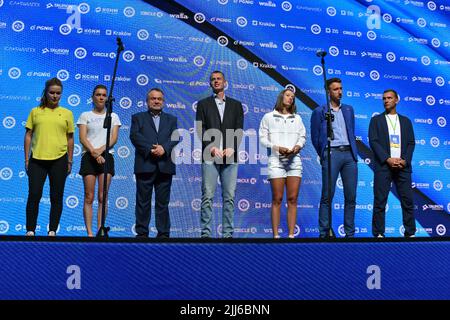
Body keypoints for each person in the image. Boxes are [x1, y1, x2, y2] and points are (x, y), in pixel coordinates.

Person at [195, 70, 244, 238]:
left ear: (225, 82)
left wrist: (232, 148)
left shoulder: (236, 105)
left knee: (229, 197)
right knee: (207, 196)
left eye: (219, 79)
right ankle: (206, 234)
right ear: (210, 84)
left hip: (230, 156)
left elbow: (239, 130)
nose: (216, 81)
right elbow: (200, 129)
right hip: (210, 155)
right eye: (213, 79)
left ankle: (228, 234)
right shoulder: (203, 104)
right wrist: (211, 147)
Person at [24, 77, 74, 236]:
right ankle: (30, 230)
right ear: (45, 93)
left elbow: (70, 138)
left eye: (58, 93)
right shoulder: (35, 111)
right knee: (34, 195)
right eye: (52, 92)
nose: (55, 96)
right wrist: (26, 159)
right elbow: (28, 135)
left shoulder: (67, 113)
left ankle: (52, 230)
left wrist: (70, 160)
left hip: (59, 160)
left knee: (56, 196)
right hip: (37, 159)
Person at [310, 78, 358, 238]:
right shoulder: (320, 111)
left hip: (349, 155)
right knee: (327, 195)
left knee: (351, 196)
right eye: (336, 89)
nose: (340, 92)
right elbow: (315, 137)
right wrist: (324, 153)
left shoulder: (349, 110)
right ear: (328, 92)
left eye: (341, 88)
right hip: (332, 153)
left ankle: (349, 234)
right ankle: (324, 233)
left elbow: (351, 131)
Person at [130, 88, 179, 238]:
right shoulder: (138, 117)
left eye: (159, 99)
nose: (156, 101)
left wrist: (164, 148)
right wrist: (152, 149)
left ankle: (163, 234)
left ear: (163, 102)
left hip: (165, 166)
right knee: (142, 202)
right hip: (145, 164)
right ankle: (142, 233)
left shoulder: (172, 119)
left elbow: (175, 137)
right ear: (147, 101)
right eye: (153, 98)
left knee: (162, 203)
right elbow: (135, 136)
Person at [259, 89, 306, 238]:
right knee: (277, 198)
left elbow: (302, 137)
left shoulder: (297, 118)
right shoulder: (268, 117)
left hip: (294, 161)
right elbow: (262, 138)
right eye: (287, 95)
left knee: (292, 199)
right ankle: (276, 237)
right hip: (276, 161)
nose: (290, 98)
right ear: (281, 97)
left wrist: (298, 147)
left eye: (293, 97)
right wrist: (277, 147)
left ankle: (291, 236)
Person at [369, 89, 416, 238]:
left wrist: (404, 160)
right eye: (384, 98)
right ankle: (378, 233)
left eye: (389, 98)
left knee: (407, 201)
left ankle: (410, 233)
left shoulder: (406, 121)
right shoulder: (376, 120)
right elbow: (374, 142)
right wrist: (387, 159)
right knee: (380, 201)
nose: (386, 101)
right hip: (384, 166)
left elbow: (411, 143)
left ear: (396, 100)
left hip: (403, 167)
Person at [77, 85, 121, 237]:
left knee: (103, 196)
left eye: (103, 95)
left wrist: (101, 152)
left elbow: (113, 138)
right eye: (98, 94)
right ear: (93, 97)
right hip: (89, 156)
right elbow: (82, 138)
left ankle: (100, 230)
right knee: (89, 196)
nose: (101, 97)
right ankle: (89, 233)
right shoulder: (85, 115)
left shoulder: (113, 116)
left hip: (106, 156)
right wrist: (95, 154)